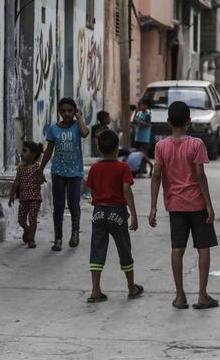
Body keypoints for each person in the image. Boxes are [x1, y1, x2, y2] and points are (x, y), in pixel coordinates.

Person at [149, 101, 218, 310]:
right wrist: (209, 205)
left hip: (175, 206)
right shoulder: (196, 144)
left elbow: (156, 176)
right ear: (189, 122)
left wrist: (153, 207)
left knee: (177, 249)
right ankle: (202, 296)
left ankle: (180, 296)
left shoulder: (161, 146)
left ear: (168, 122)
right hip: (197, 204)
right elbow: (199, 175)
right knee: (203, 248)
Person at [85, 129, 144, 303]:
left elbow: (92, 189)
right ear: (117, 149)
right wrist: (133, 214)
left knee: (97, 249)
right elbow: (127, 190)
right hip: (117, 211)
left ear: (99, 148)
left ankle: (96, 290)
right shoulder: (123, 167)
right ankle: (131, 287)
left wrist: (98, 199)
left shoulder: (95, 167)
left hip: (99, 212)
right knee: (124, 248)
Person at [40, 97, 90, 251]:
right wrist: (40, 169)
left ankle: (75, 233)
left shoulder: (77, 126)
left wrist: (80, 117)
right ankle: (58, 238)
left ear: (74, 111)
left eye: (70, 111)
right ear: (59, 112)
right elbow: (49, 151)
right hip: (58, 172)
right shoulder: (53, 129)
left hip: (75, 172)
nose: (67, 114)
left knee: (74, 204)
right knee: (59, 206)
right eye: (63, 111)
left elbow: (85, 133)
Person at [8, 141, 44, 248]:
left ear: (33, 154)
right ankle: (27, 230)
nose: (21, 153)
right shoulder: (20, 168)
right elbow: (16, 182)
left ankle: (31, 239)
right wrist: (12, 195)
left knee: (32, 219)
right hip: (23, 198)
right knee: (21, 219)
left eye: (24, 151)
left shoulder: (37, 167)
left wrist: (41, 178)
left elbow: (41, 180)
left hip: (35, 198)